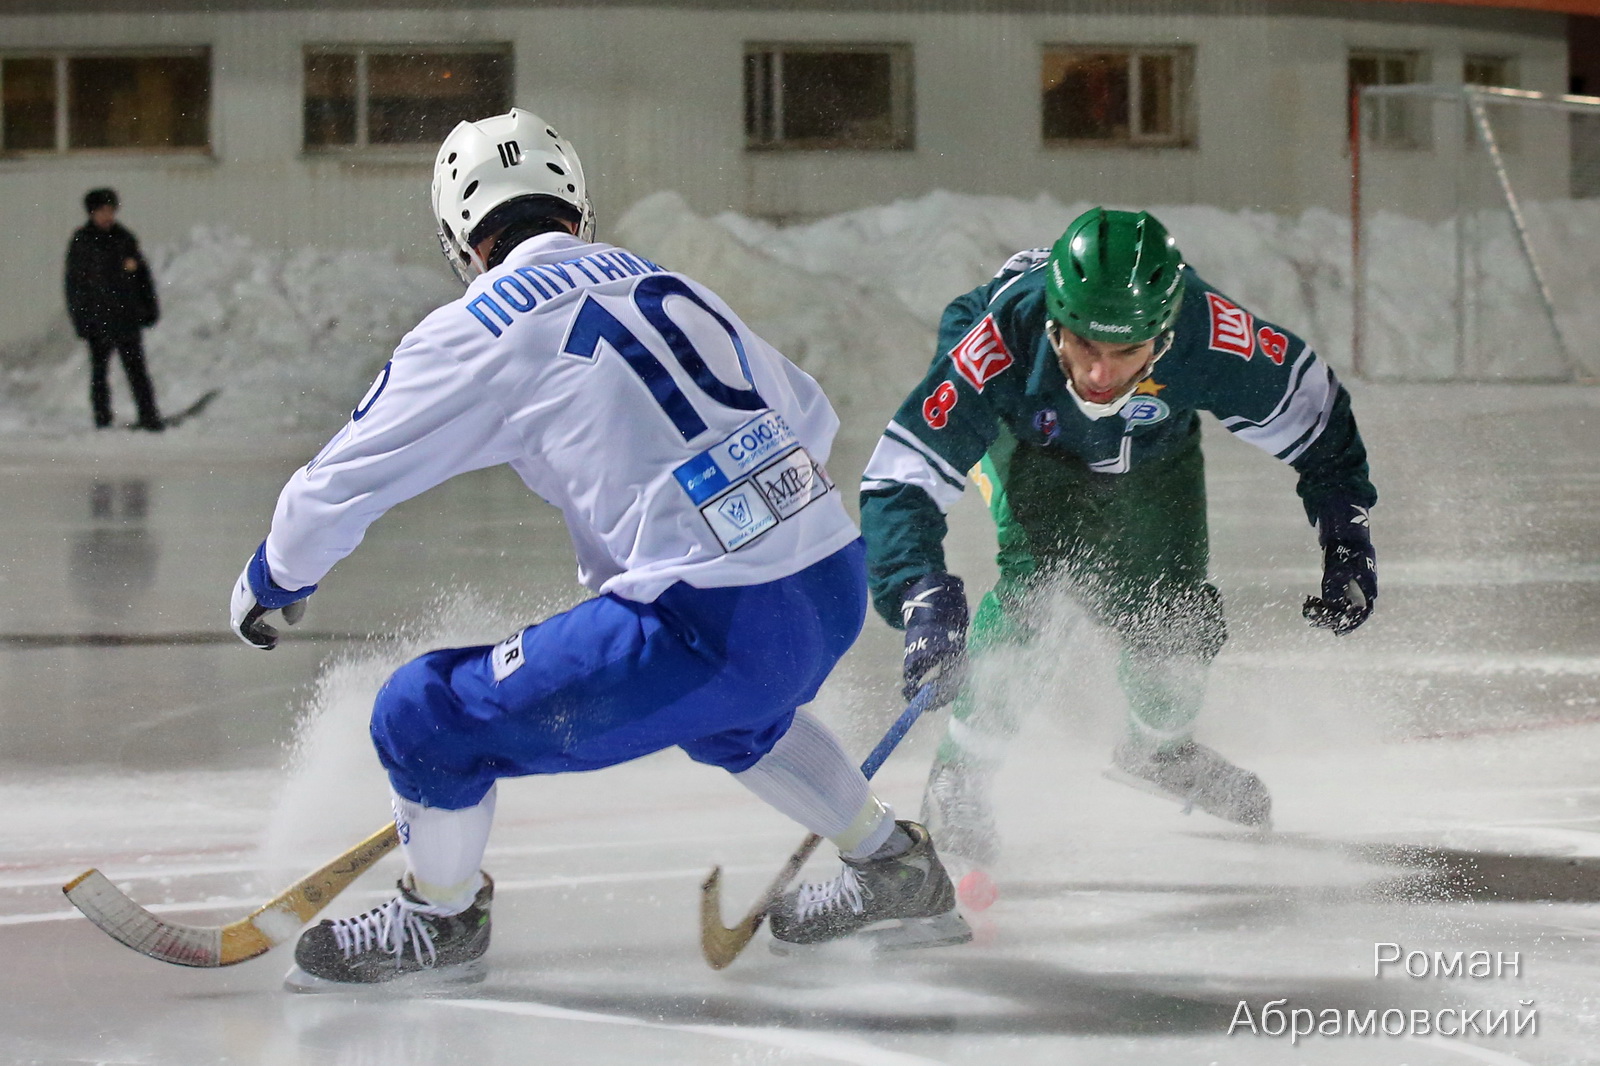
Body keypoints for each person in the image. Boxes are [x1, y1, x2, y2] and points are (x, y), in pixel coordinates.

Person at [227, 108, 970, 989]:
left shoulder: (478, 327)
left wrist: (275, 576)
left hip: (711, 624)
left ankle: (441, 923)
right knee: (738, 717)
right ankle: (893, 868)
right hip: (827, 581)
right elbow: (809, 413)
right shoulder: (665, 281)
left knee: (421, 715)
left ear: (462, 240)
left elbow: (341, 479)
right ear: (578, 209)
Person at [859, 208, 1378, 872]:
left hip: (1151, 445)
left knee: (1175, 612)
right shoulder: (1000, 342)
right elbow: (902, 474)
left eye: (1126, 351)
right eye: (1082, 345)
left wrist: (1345, 535)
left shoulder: (1212, 334)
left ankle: (1159, 749)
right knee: (1040, 588)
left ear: (1165, 335)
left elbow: (1320, 419)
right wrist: (917, 590)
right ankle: (960, 776)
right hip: (1029, 433)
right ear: (1055, 323)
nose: (1100, 374)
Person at [65, 188, 164, 431]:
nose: (107, 216)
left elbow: (142, 278)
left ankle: (149, 416)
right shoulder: (83, 242)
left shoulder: (124, 238)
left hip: (126, 317)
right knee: (100, 373)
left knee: (137, 370)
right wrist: (81, 319)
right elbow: (74, 286)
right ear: (91, 213)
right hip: (98, 319)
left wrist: (149, 307)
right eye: (102, 211)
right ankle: (102, 419)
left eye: (111, 210)